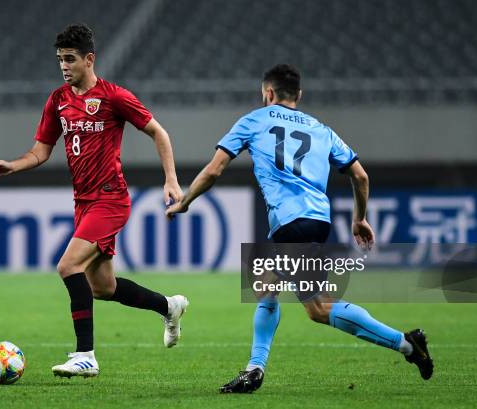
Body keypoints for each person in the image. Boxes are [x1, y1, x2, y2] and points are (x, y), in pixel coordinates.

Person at [166, 64, 433, 393]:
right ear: (299, 95)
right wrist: (359, 218)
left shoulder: (255, 120)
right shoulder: (321, 129)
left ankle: (407, 345)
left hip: (292, 223)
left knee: (319, 308)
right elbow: (360, 176)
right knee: (266, 285)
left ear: (268, 93)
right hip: (316, 220)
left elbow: (214, 169)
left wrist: (186, 201)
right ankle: (254, 370)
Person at [0, 24, 189, 379]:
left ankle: (86, 355)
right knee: (103, 288)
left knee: (67, 266)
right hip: (83, 203)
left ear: (89, 59)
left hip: (111, 200)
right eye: (59, 60)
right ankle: (169, 307)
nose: (63, 66)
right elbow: (41, 151)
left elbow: (159, 132)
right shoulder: (58, 100)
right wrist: (12, 166)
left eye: (70, 59)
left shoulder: (114, 97)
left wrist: (171, 179)